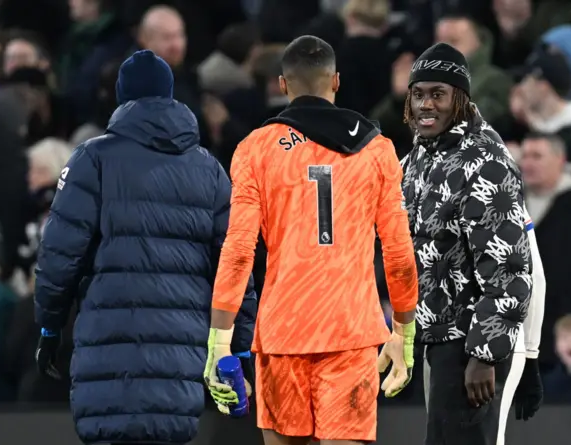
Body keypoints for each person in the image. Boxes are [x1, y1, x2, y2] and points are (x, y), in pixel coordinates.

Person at [33, 49, 257, 445]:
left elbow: (58, 256)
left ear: (121, 99)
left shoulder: (93, 159)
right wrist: (240, 349)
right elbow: (236, 266)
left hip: (107, 358)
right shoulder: (209, 171)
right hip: (179, 362)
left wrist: (50, 325)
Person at [203, 35, 419, 445]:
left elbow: (238, 249)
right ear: (335, 81)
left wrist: (219, 340)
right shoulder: (376, 149)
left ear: (282, 86)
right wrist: (403, 332)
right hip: (352, 332)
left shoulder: (255, 150)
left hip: (283, 332)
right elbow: (398, 252)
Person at [400, 42, 534, 445]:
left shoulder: (485, 160)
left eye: (437, 94)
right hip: (435, 337)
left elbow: (508, 267)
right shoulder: (419, 157)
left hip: (469, 345)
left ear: (459, 98)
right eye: (418, 94)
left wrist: (484, 354)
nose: (426, 105)